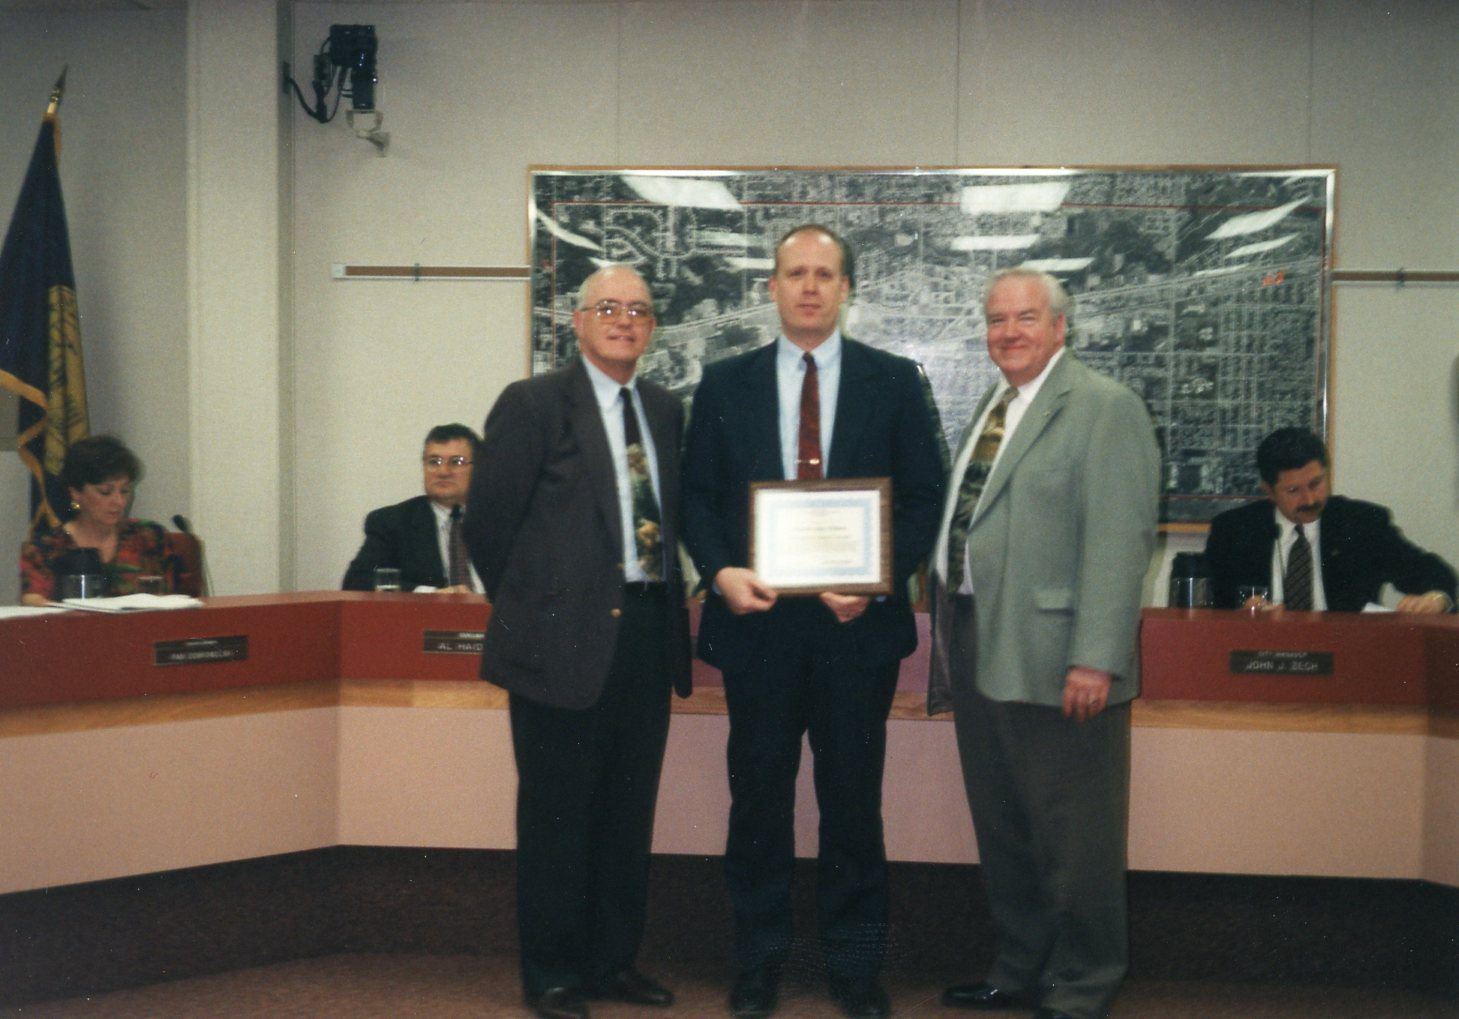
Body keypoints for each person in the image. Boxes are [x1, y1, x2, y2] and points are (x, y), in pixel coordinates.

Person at [682, 224, 946, 1018]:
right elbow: (696, 497)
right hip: (757, 629)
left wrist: (877, 579)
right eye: (794, 273)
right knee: (758, 806)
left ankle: (854, 970)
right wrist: (720, 571)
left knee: (852, 807)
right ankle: (758, 965)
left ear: (845, 288)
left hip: (854, 633)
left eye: (823, 274)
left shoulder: (892, 381)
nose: (807, 286)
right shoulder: (723, 383)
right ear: (770, 287)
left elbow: (925, 497)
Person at [927, 267, 1160, 1019]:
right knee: (1005, 827)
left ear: (1061, 326)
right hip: (979, 640)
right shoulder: (995, 406)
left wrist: (1095, 655)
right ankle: (1020, 968)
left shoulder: (1104, 407)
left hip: (1062, 658)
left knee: (1075, 837)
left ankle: (1083, 983)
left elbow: (1120, 541)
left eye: (1025, 318)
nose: (1009, 332)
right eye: (997, 320)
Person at [464, 264, 691, 1019]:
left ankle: (611, 962)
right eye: (609, 307)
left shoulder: (664, 409)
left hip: (646, 636)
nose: (625, 320)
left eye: (640, 310)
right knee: (557, 817)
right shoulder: (533, 403)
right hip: (557, 643)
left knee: (627, 814)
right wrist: (538, 608)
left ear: (652, 327)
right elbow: (487, 525)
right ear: (578, 320)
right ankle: (552, 974)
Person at [1204, 426, 1456, 613]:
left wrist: (1436, 599)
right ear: (1268, 491)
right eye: (1293, 490)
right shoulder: (1234, 531)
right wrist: (1243, 609)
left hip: (1345, 653)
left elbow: (1435, 575)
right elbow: (1210, 600)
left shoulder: (1361, 523)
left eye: (1316, 483)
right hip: (1259, 654)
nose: (1309, 499)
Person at [20, 435, 175, 605]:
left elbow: (181, 599)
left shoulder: (150, 537)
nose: (119, 501)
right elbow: (34, 602)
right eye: (105, 492)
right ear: (75, 493)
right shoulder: (45, 548)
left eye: (124, 491)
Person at [341, 423, 483, 592]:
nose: (443, 471)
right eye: (434, 462)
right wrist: (430, 595)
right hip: (428, 609)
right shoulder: (392, 523)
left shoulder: (502, 521)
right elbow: (357, 581)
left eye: (456, 462)